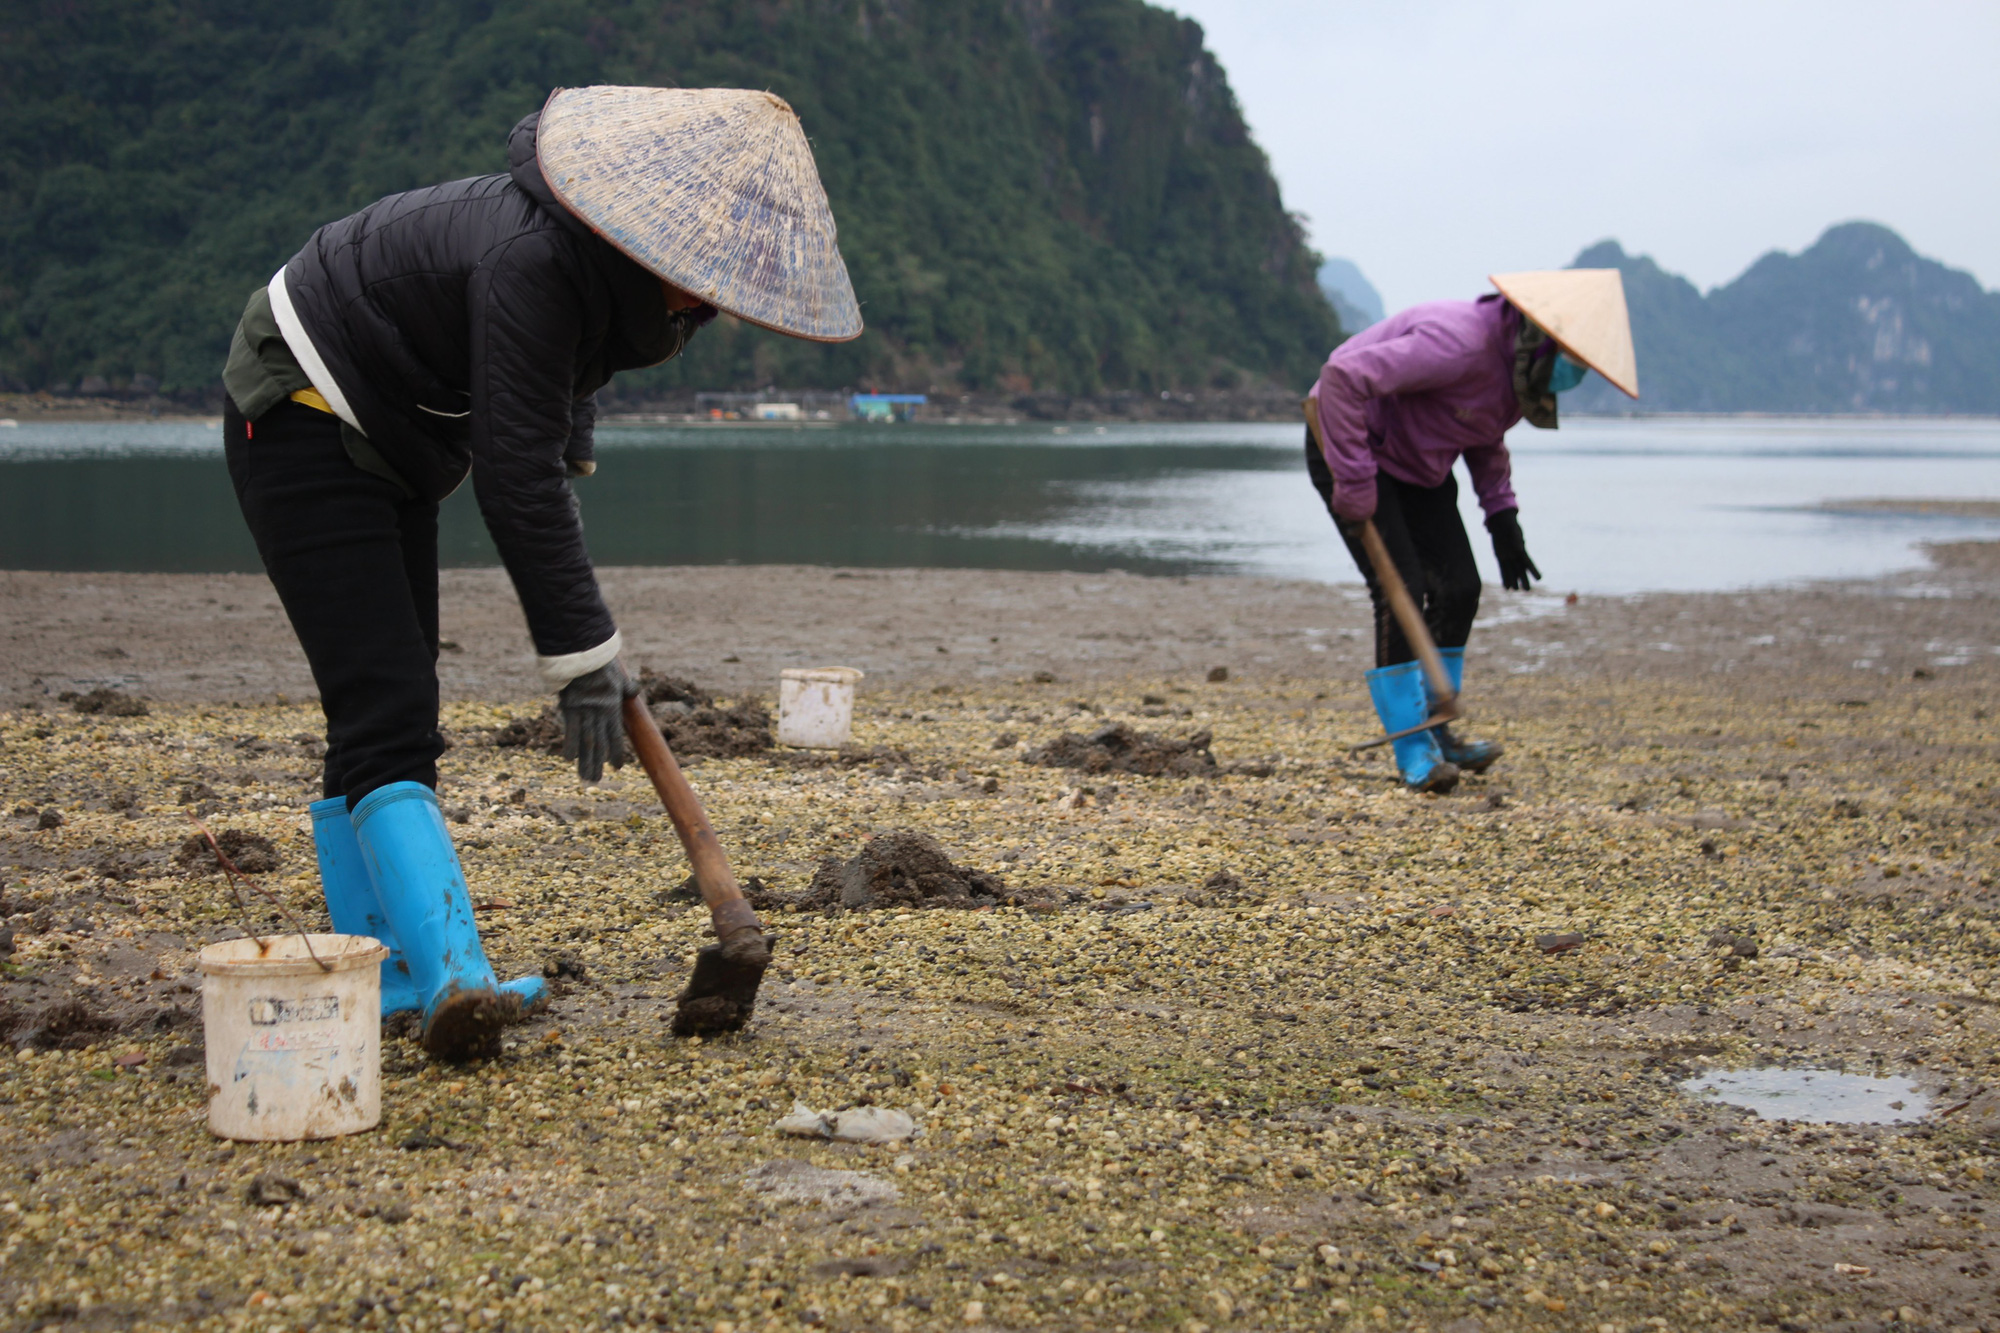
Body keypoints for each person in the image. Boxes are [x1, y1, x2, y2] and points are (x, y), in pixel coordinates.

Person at [219, 86, 862, 1058]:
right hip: (305, 406)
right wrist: (583, 655)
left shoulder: (609, 277)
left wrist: (575, 444)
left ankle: (388, 973)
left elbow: (563, 375)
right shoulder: (530, 260)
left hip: (396, 440)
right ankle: (452, 979)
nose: (711, 301)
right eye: (703, 275)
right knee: (384, 703)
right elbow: (513, 477)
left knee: (385, 710)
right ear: (647, 238)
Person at [1305, 269, 1637, 793]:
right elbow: (1342, 377)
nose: (1574, 372)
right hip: (1349, 443)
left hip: (1418, 466)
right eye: (1571, 358)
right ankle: (1413, 748)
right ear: (1541, 338)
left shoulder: (1513, 368)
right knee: (1401, 593)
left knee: (1460, 587)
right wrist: (1352, 481)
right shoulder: (1457, 343)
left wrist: (1502, 516)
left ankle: (1440, 728)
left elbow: (1482, 434)